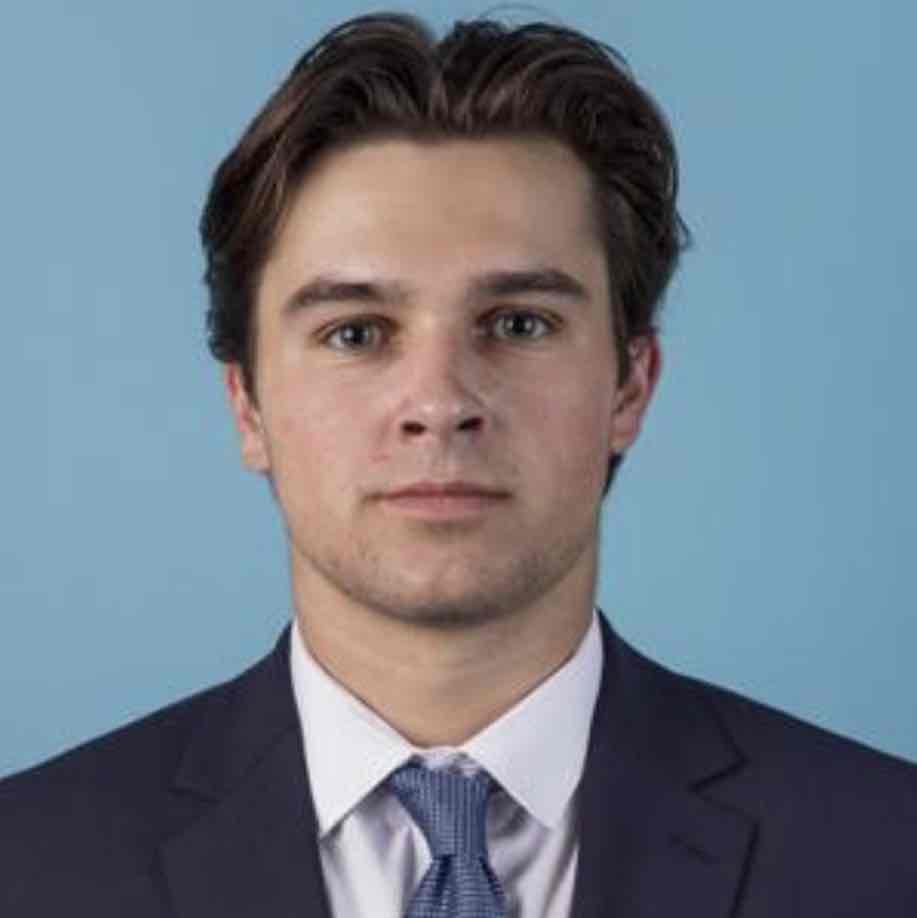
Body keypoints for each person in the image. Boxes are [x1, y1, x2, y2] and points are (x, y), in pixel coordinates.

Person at [1, 10, 915, 916]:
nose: (439, 402)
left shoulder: (887, 853)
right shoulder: (30, 866)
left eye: (518, 324)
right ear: (247, 404)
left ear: (629, 386)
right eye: (355, 333)